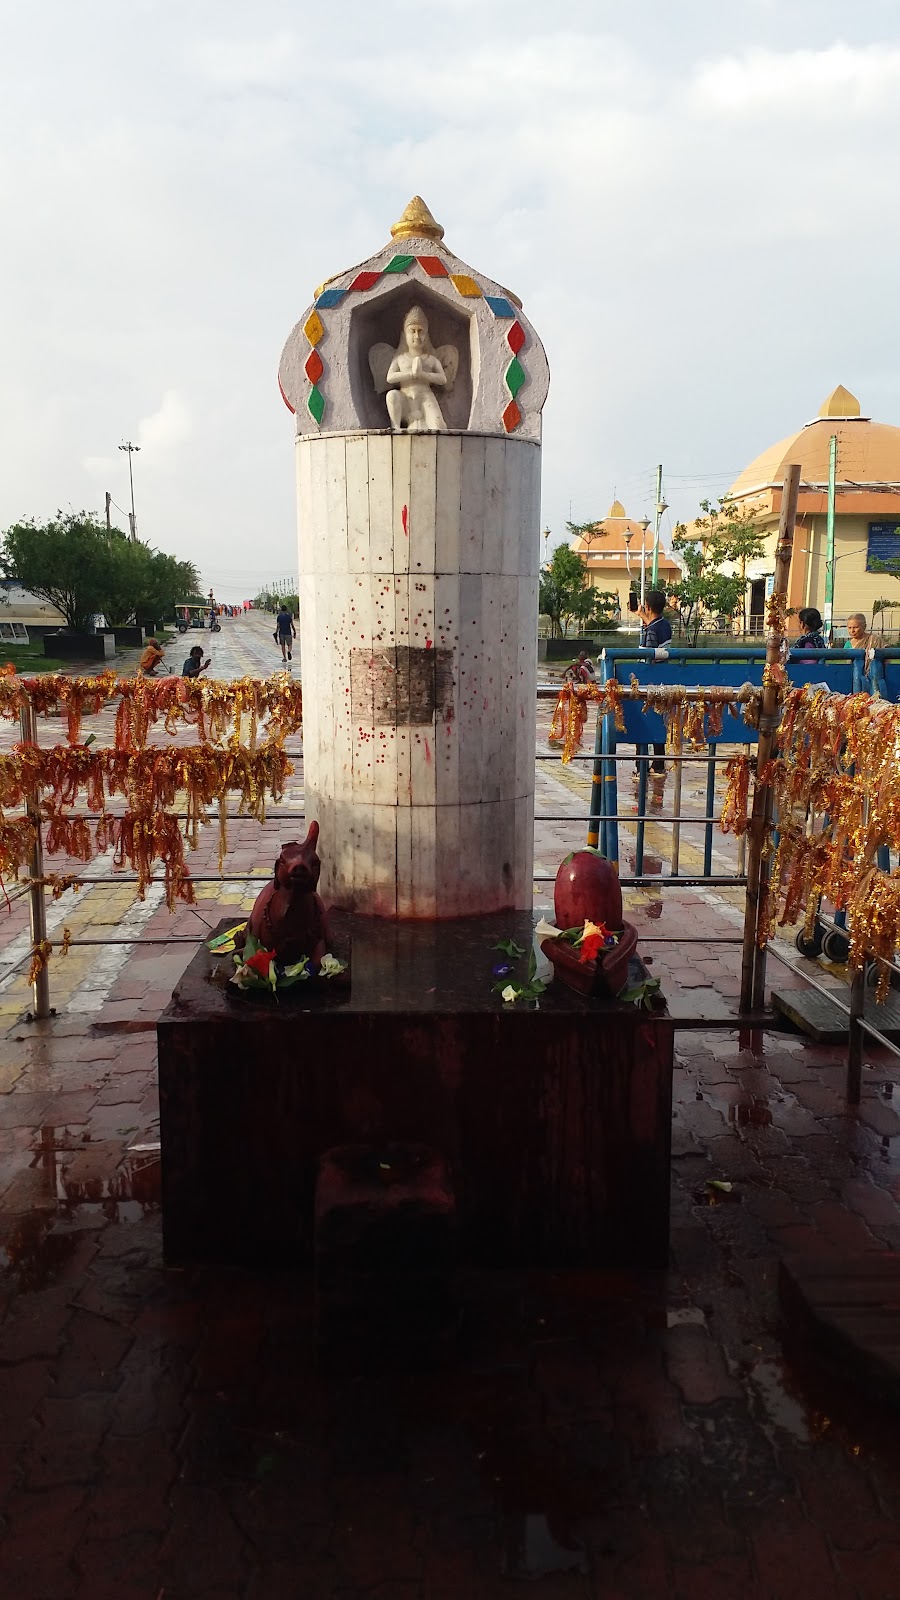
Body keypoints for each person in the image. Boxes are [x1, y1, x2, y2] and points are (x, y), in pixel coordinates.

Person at [638, 590, 672, 776]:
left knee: (642, 722)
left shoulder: (652, 630)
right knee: (659, 721)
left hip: (649, 681)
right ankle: (658, 763)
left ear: (648, 607)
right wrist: (644, 618)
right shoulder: (665, 625)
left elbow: (649, 655)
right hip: (663, 678)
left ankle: (641, 767)